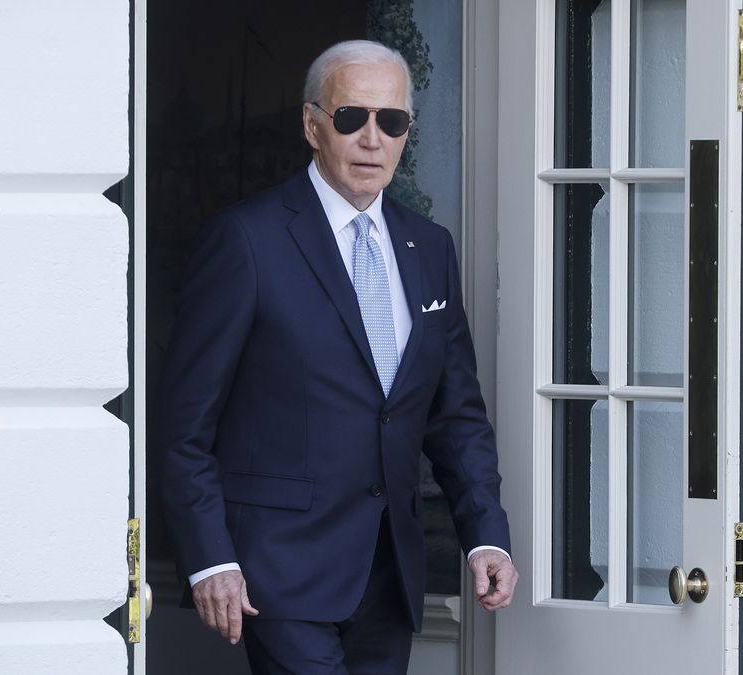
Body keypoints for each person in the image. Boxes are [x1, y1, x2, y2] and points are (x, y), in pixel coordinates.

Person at [155, 39, 517, 675]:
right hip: (276, 572)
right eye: (352, 117)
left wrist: (485, 533)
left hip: (390, 571)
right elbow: (186, 427)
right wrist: (211, 558)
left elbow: (455, 415)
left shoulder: (429, 247)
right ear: (312, 124)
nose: (372, 138)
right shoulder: (246, 240)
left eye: (392, 121)